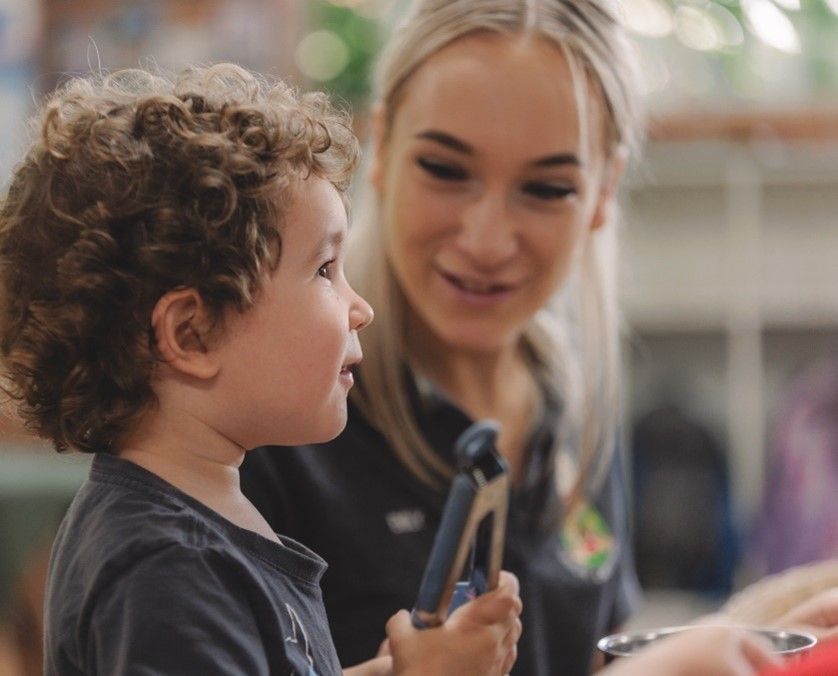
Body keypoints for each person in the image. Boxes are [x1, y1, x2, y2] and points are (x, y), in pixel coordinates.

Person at [240, 2, 837, 675]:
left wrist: (743, 642)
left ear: (604, 191)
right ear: (382, 144)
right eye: (445, 168)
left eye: (547, 188)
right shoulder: (271, 424)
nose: (487, 240)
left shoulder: (575, 399)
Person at [0, 64, 522, 675]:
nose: (361, 307)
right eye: (323, 270)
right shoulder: (163, 571)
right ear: (191, 334)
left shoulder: (194, 525)